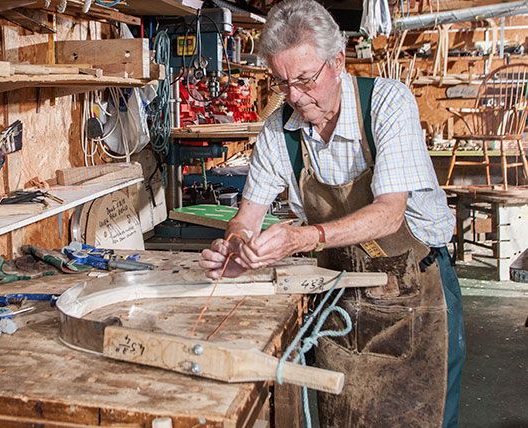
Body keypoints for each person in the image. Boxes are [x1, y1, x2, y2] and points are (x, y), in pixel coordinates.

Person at [199, 0, 465, 426]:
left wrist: (303, 238)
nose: (295, 96)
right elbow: (245, 220)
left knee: (421, 416)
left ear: (337, 61)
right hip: (338, 297)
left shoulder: (387, 104)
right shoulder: (278, 130)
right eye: (282, 82)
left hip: (415, 291)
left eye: (305, 80)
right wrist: (234, 247)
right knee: (343, 415)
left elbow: (389, 215)